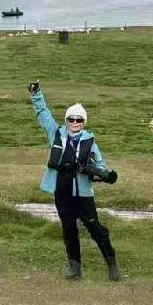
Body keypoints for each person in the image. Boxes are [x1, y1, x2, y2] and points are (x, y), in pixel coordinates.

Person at [29, 81, 120, 281]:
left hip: (83, 195)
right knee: (69, 229)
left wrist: (106, 174)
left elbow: (100, 164)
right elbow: (43, 114)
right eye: (71, 119)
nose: (75, 122)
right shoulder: (55, 133)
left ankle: (112, 264)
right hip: (62, 192)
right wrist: (36, 94)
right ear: (66, 120)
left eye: (79, 119)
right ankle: (75, 268)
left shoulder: (90, 142)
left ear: (84, 122)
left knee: (95, 229)